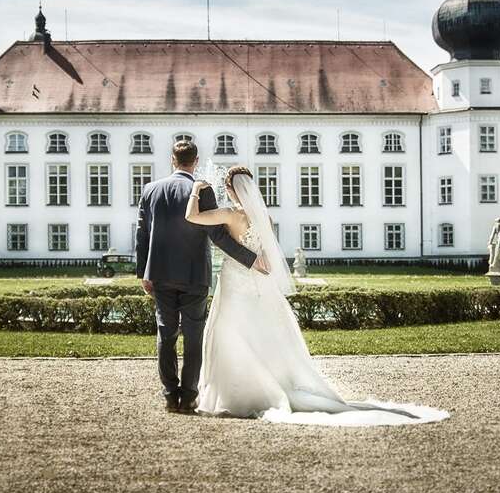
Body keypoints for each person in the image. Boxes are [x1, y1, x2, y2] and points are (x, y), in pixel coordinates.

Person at [185, 165, 449, 426]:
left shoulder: (232, 214)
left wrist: (196, 189)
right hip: (259, 282)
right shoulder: (265, 217)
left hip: (236, 280)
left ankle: (236, 394)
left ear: (231, 190)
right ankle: (268, 384)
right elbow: (265, 252)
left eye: (227, 188)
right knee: (263, 332)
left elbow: (192, 217)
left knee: (229, 331)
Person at [136, 142, 270, 414]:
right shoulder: (203, 189)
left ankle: (170, 395)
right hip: (195, 275)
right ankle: (189, 397)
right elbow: (218, 235)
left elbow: (142, 235)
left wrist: (143, 273)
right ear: (195, 161)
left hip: (160, 275)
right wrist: (250, 259)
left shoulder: (150, 190)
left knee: (166, 334)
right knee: (194, 336)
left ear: (172, 160)